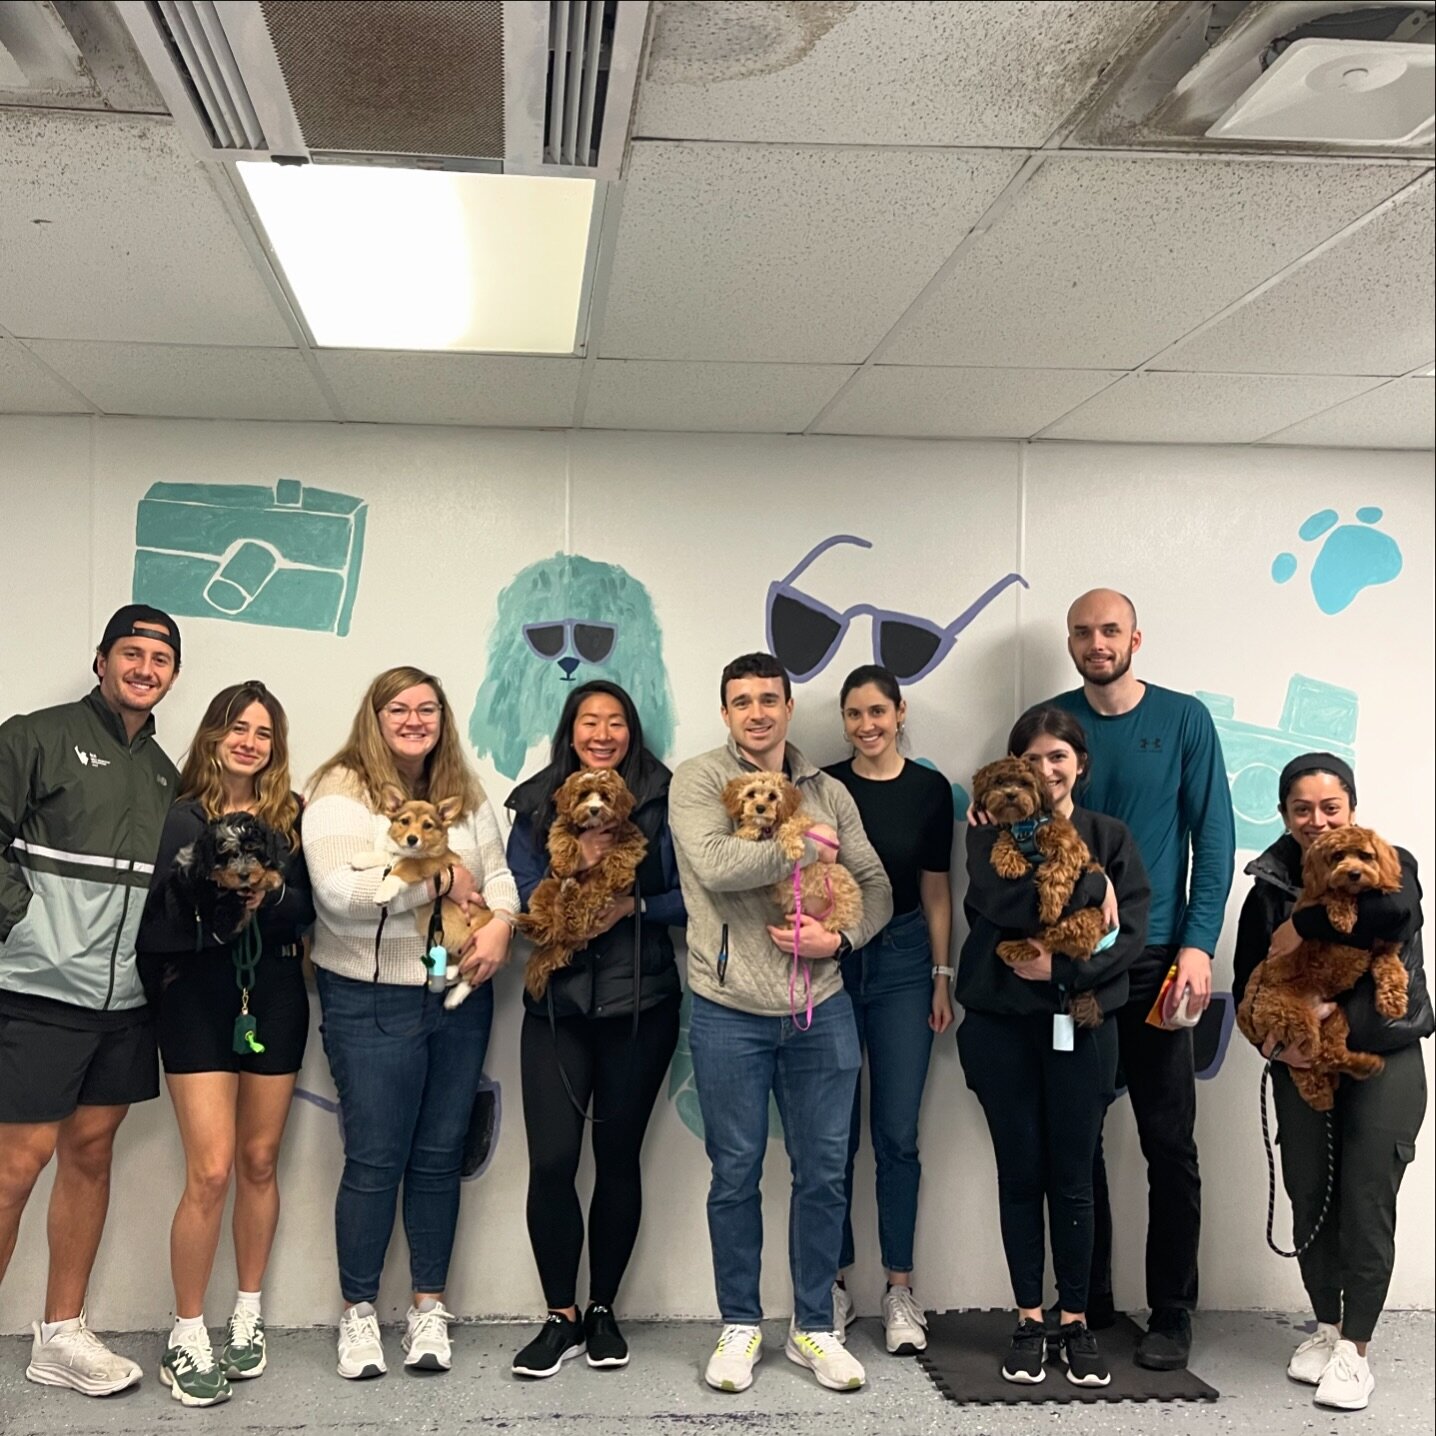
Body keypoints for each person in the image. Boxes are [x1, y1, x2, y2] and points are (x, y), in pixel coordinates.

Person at [669, 652, 893, 1395]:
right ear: (725, 712)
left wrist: (844, 938)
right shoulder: (700, 780)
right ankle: (739, 1325)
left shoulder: (827, 789)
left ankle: (813, 1330)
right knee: (733, 1173)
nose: (757, 712)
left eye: (770, 699)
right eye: (742, 701)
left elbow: (876, 885)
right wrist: (798, 846)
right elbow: (714, 864)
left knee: (824, 1175)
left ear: (790, 709)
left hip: (820, 1003)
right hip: (728, 1005)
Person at [302, 666, 517, 1379]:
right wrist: (437, 878)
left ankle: (429, 1307)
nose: (415, 719)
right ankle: (359, 1313)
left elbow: (501, 876)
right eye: (400, 707)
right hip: (371, 998)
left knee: (438, 1156)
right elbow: (339, 895)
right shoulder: (338, 788)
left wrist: (502, 927)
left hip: (458, 989)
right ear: (375, 714)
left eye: (428, 708)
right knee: (374, 1159)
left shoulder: (467, 788)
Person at [1044, 589, 1234, 1369]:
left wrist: (1197, 947)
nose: (1097, 642)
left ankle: (1172, 1312)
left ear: (1135, 638)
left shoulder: (1185, 719)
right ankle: (1087, 1300)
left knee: (1168, 1143)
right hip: (1076, 963)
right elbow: (1028, 818)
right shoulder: (1051, 722)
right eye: (1084, 632)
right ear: (1070, 642)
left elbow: (1213, 839)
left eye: (1110, 629)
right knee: (1077, 1137)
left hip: (1157, 961)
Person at [0, 605, 181, 1395]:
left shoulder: (167, 773)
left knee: (91, 1153)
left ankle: (61, 1334)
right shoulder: (34, 735)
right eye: (132, 653)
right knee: (15, 1166)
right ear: (102, 659)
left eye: (161, 658)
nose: (145, 667)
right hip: (39, 988)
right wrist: (24, 927)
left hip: (124, 1002)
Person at [1232, 753, 1431, 1413]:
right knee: (1310, 1191)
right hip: (1302, 1061)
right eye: (1302, 809)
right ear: (1285, 815)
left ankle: (1358, 1351)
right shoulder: (1266, 886)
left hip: (1386, 1057)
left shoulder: (1391, 864)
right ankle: (1325, 1327)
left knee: (1367, 1201)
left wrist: (1306, 925)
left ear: (1351, 808)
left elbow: (1394, 919)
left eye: (1330, 808)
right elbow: (1247, 985)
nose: (1317, 821)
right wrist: (1275, 1042)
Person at [958, 706, 1149, 1388]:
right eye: (1031, 760)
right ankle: (1028, 1318)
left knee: (1074, 1177)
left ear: (1078, 766)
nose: (1045, 770)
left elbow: (1132, 935)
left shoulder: (1109, 834)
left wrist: (1063, 968)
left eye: (1057, 758)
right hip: (999, 1026)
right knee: (1020, 1174)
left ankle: (1075, 1321)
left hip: (1082, 1023)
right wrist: (1091, 891)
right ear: (1012, 773)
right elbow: (1006, 907)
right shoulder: (987, 834)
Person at [135, 681, 315, 1406]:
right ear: (213, 735)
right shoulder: (179, 817)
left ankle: (247, 1314)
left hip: (272, 995)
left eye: (263, 732)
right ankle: (187, 1334)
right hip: (197, 1001)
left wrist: (267, 898)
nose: (250, 741)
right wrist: (213, 917)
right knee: (209, 1171)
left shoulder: (291, 816)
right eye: (237, 728)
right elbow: (155, 924)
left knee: (260, 1161)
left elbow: (307, 910)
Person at [504, 680, 685, 1378]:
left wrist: (632, 906)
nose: (602, 733)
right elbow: (519, 893)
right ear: (570, 732)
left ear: (631, 731)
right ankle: (560, 1315)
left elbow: (689, 897)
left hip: (642, 1003)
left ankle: (604, 1308)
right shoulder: (533, 798)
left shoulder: (665, 796)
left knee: (617, 1161)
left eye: (615, 722)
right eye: (589, 722)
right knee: (551, 1162)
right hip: (556, 1003)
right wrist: (573, 868)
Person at [823, 665, 953, 1356]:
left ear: (900, 713)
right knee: (833, 1136)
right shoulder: (823, 786)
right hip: (835, 960)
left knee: (897, 1134)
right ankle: (834, 1282)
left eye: (877, 711)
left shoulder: (930, 789)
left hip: (905, 959)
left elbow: (937, 891)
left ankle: (900, 1288)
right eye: (853, 714)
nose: (866, 725)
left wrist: (940, 974)